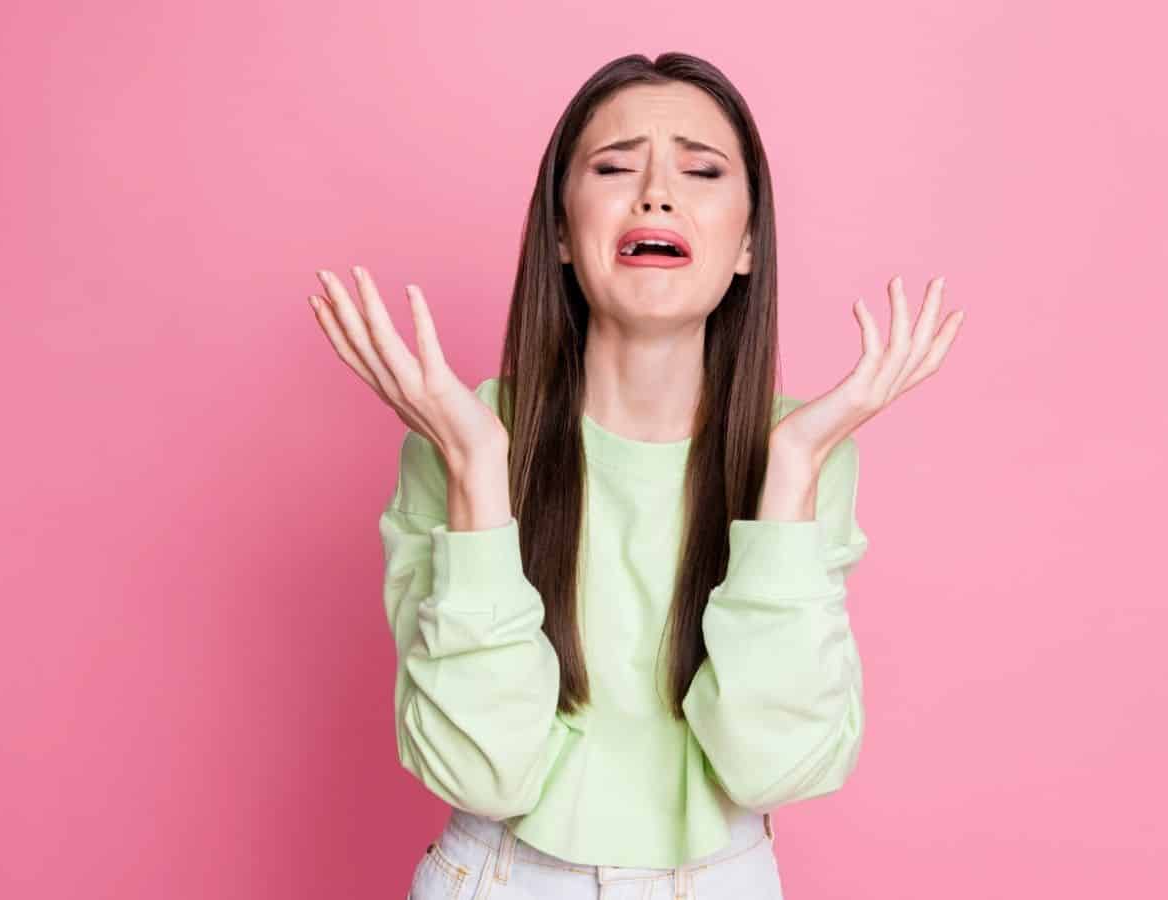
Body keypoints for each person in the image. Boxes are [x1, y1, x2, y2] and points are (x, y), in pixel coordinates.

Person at [307, 51, 963, 900]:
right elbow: (482, 772)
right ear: (558, 233)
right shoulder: (464, 433)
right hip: (499, 877)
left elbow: (774, 766)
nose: (656, 192)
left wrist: (794, 469)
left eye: (701, 169)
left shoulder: (797, 449)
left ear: (749, 243)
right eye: (615, 167)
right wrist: (475, 466)